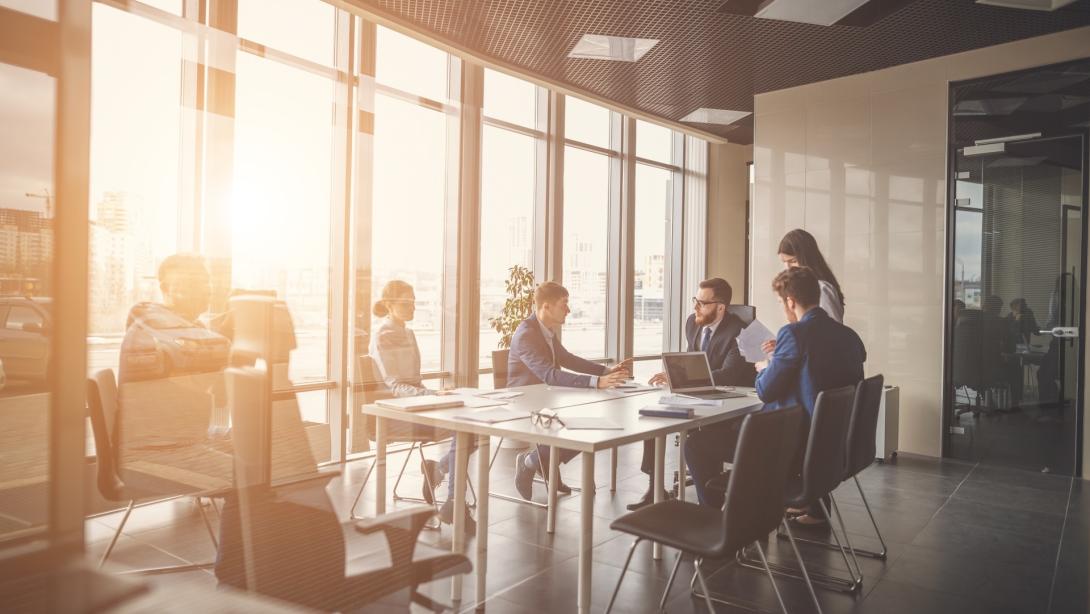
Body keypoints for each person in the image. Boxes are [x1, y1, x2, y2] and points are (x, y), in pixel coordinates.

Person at [630, 278, 756, 510]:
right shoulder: (693, 323)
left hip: (729, 400)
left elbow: (728, 374)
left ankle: (710, 507)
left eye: (702, 303)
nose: (695, 308)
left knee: (699, 443)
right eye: (695, 301)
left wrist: (683, 379)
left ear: (720, 307)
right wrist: (674, 373)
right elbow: (691, 361)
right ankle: (655, 487)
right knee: (654, 416)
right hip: (697, 393)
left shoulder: (740, 331)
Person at [754, 266, 866, 526]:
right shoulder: (849, 336)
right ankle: (812, 506)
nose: (784, 308)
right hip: (837, 443)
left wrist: (765, 368)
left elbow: (765, 391)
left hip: (798, 445)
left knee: (701, 446)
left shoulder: (793, 333)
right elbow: (822, 377)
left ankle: (729, 523)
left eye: (782, 302)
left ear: (790, 302)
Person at [509, 281, 631, 500]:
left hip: (547, 398)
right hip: (525, 403)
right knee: (577, 429)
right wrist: (597, 382)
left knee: (585, 427)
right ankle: (532, 462)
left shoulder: (544, 331)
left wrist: (605, 371)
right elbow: (549, 374)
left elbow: (567, 359)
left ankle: (538, 461)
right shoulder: (527, 334)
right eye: (564, 304)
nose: (569, 310)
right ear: (546, 306)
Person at [369, 280, 474, 530]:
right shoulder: (382, 336)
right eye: (406, 303)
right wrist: (429, 394)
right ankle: (453, 504)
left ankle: (437, 470)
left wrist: (435, 394)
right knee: (465, 431)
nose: (413, 307)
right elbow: (394, 385)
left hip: (417, 404)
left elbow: (413, 380)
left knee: (471, 429)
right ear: (388, 305)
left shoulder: (409, 333)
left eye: (414, 302)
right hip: (395, 413)